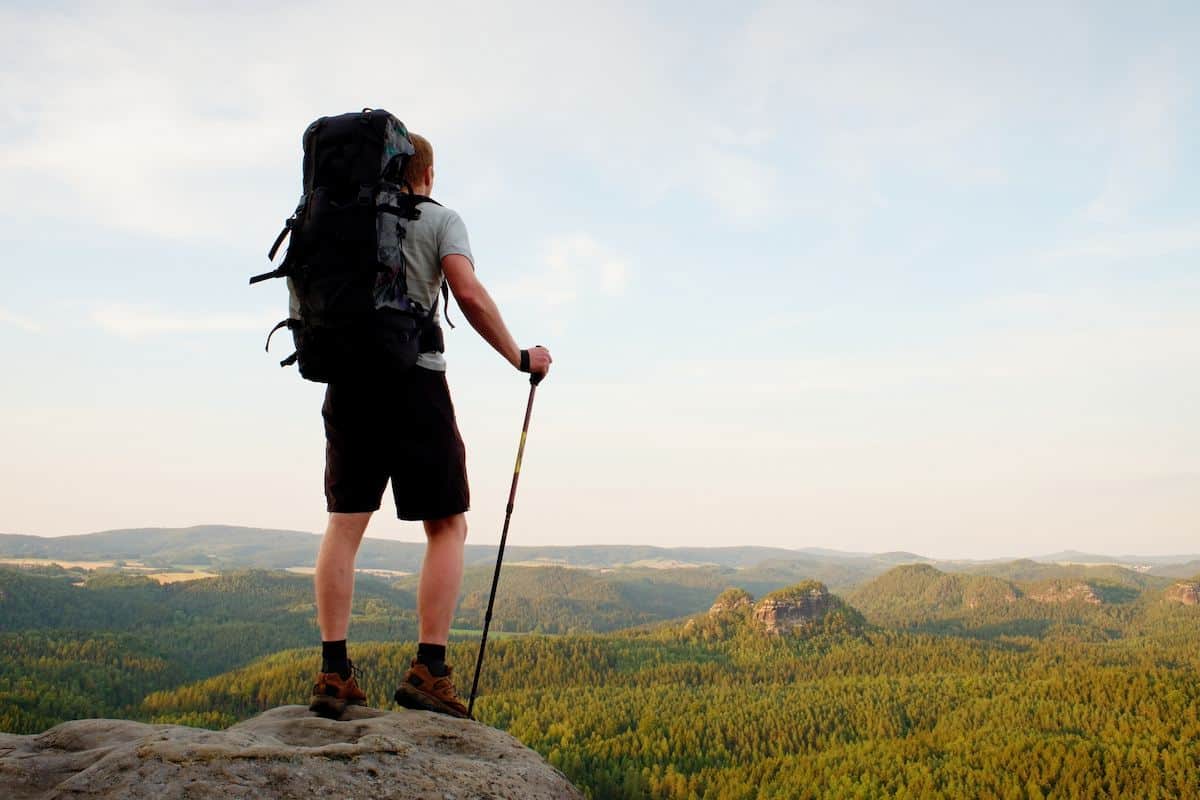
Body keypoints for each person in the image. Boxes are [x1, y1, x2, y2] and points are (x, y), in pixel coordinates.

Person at [308, 133, 552, 719]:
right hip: (415, 381)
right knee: (446, 525)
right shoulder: (439, 220)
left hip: (348, 380)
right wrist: (521, 356)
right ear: (428, 172)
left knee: (344, 524)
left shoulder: (339, 220)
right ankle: (429, 670)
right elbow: (465, 291)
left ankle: (333, 672)